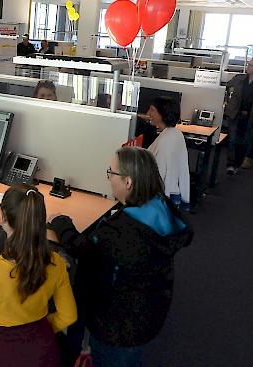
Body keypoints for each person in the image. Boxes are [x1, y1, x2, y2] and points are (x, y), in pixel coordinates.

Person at [50, 147, 193, 367]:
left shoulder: (122, 232)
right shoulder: (160, 206)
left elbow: (84, 249)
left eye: (111, 172)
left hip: (117, 326)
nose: (109, 178)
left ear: (128, 182)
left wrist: (61, 224)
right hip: (148, 309)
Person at [0, 184, 77, 367]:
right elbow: (69, 316)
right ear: (41, 220)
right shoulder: (56, 263)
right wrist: (39, 331)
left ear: (3, 216)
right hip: (43, 353)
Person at [146, 96, 191, 210]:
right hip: (174, 195)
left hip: (162, 199)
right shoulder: (176, 133)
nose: (148, 113)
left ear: (163, 113)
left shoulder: (165, 140)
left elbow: (158, 173)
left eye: (152, 110)